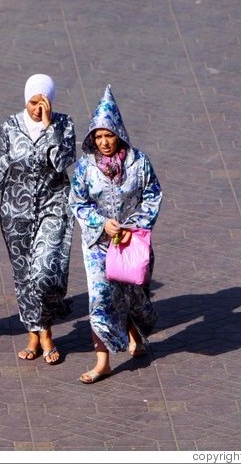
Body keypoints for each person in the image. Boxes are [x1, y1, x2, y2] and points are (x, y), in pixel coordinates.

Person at [0, 74, 75, 365]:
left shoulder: (63, 124)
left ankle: (42, 326)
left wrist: (48, 127)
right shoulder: (9, 127)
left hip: (52, 207)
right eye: (32, 103)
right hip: (14, 212)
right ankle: (39, 333)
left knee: (45, 272)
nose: (36, 108)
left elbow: (61, 163)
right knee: (23, 277)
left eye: (42, 103)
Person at [69, 84, 162, 384]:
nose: (104, 142)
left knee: (133, 293)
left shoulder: (139, 163)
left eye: (109, 135)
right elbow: (77, 202)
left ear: (118, 134)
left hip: (131, 243)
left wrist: (132, 226)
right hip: (98, 244)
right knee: (99, 298)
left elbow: (153, 195)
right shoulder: (85, 168)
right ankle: (103, 361)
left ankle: (135, 333)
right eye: (98, 136)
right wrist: (101, 223)